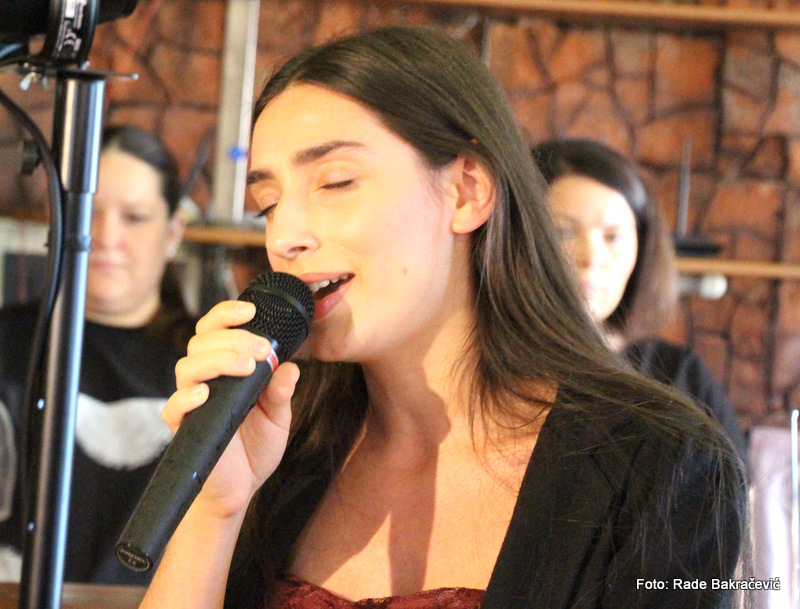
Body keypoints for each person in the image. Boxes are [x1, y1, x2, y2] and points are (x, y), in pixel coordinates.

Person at [139, 26, 746, 609]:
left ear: (467, 190)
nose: (284, 237)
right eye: (268, 205)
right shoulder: (279, 442)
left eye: (336, 182)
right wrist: (215, 509)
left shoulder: (659, 465)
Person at [0, 125, 195, 584]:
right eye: (87, 212)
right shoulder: (6, 340)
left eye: (135, 217)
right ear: (56, 220)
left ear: (172, 233)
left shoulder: (210, 362)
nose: (106, 237)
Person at [531, 138, 747, 460]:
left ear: (641, 249)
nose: (591, 257)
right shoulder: (489, 371)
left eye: (613, 237)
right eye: (562, 232)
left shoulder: (681, 376)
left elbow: (740, 490)